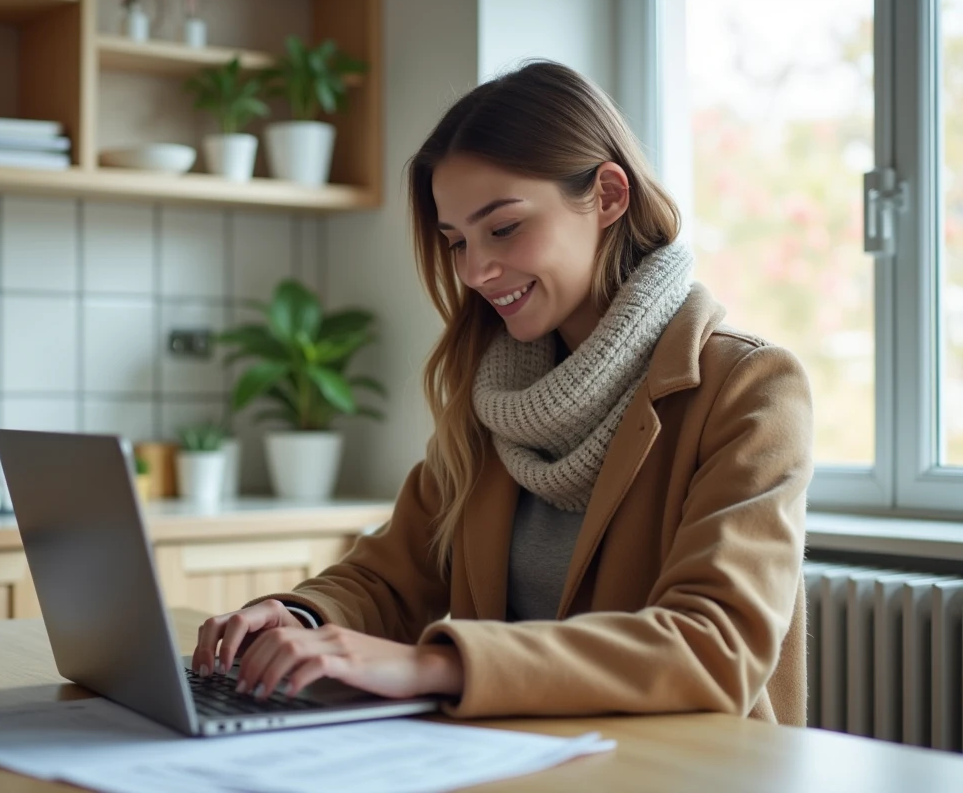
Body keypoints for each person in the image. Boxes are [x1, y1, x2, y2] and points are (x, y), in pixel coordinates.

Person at [193, 61, 813, 724]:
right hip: (519, 760)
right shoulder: (495, 396)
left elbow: (713, 648)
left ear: (607, 195)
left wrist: (438, 664)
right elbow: (389, 575)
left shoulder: (750, 389)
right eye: (456, 241)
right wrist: (298, 617)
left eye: (504, 227)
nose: (474, 271)